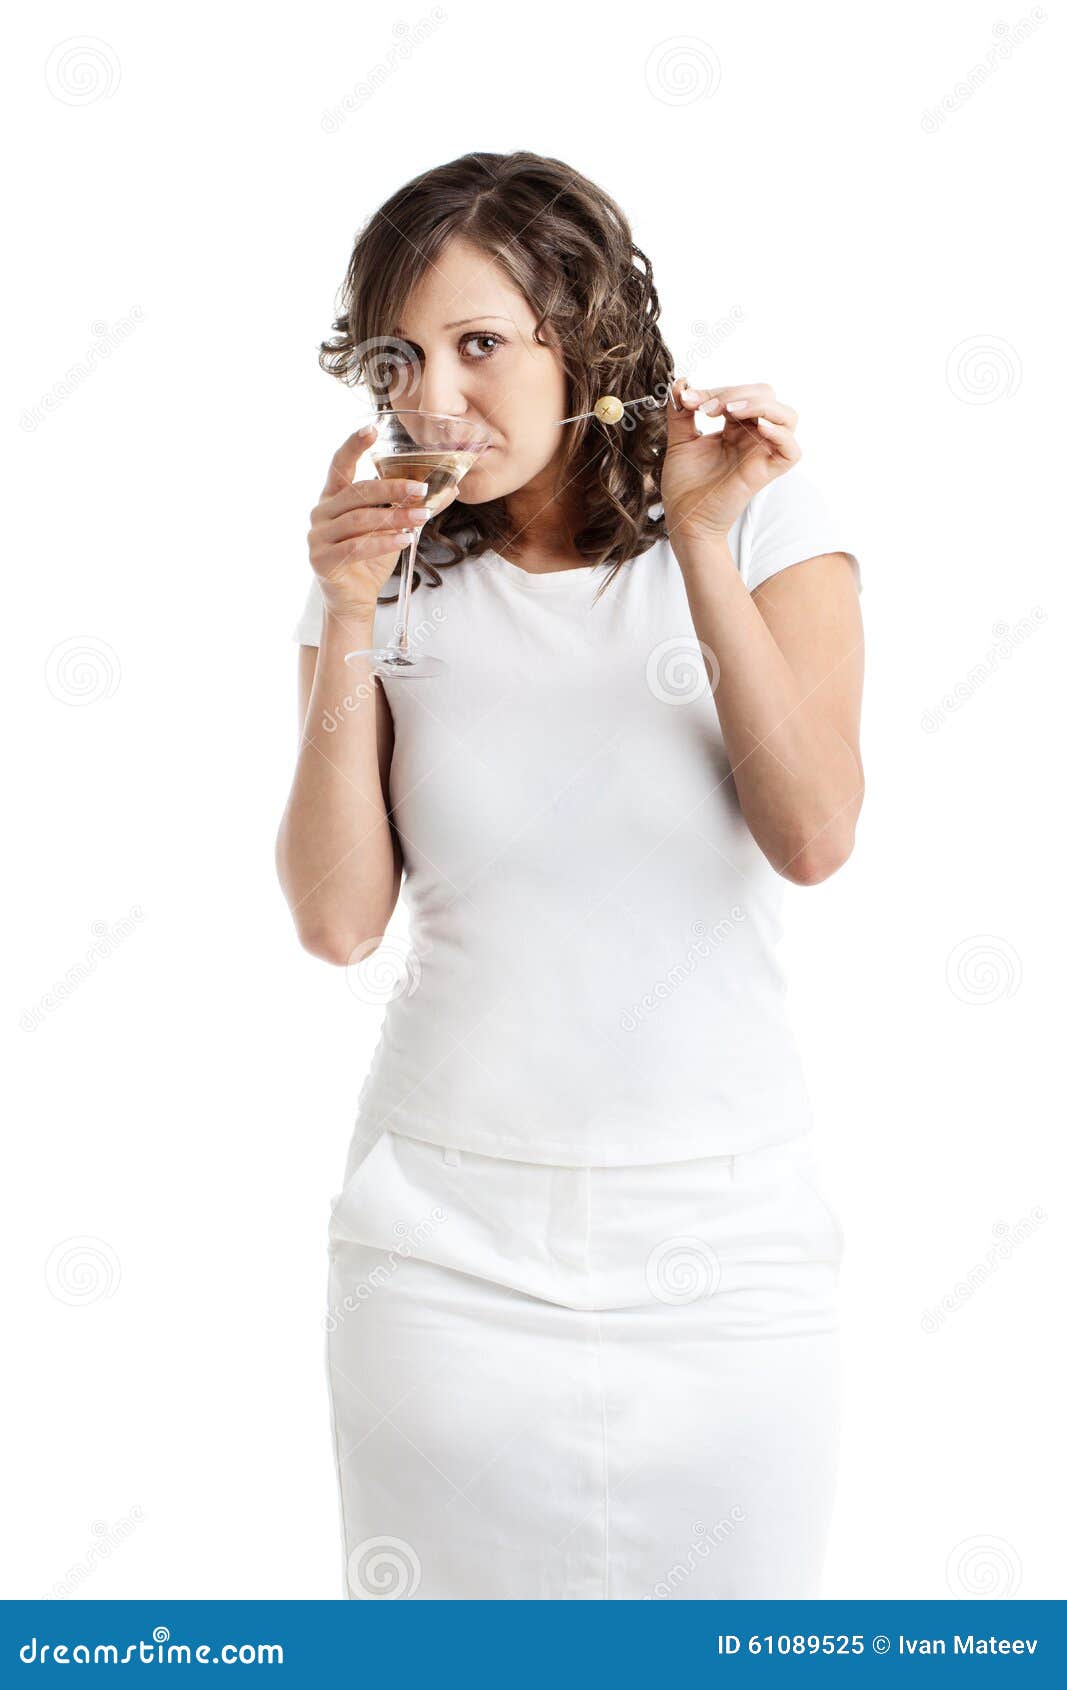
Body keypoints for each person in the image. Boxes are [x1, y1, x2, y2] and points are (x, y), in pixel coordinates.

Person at [276, 150, 864, 1601]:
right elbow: (338, 919)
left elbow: (813, 833)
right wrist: (350, 614)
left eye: (482, 345)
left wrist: (706, 543)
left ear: (584, 336)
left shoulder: (768, 523)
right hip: (441, 1253)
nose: (436, 399)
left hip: (722, 1253)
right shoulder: (385, 574)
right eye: (401, 356)